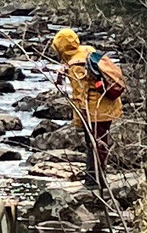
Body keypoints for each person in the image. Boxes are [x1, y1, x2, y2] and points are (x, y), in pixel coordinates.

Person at [52, 25, 125, 186]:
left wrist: (79, 121)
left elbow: (80, 96)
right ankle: (97, 177)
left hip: (95, 110)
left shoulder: (76, 66)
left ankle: (94, 180)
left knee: (93, 144)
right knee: (100, 143)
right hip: (107, 104)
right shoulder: (87, 50)